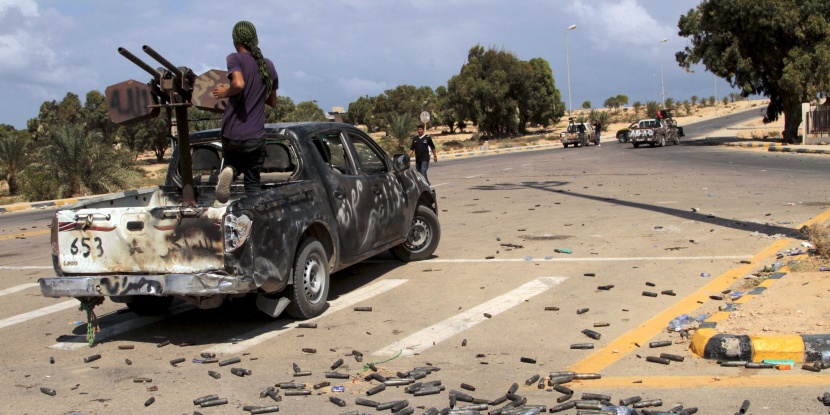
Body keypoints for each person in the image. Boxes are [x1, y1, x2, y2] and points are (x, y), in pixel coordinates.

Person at [212, 20, 278, 203]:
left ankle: (231, 171)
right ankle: (253, 217)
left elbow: (239, 83)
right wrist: (256, 93)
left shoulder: (234, 58)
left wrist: (226, 91)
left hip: (231, 133)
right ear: (255, 39)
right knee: (252, 181)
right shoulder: (268, 66)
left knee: (234, 163)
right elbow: (273, 102)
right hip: (255, 136)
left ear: (235, 41)